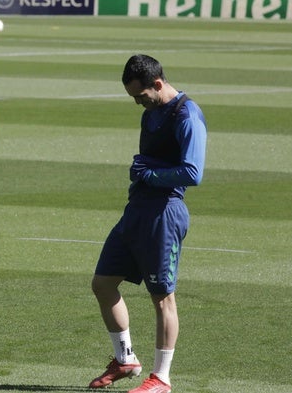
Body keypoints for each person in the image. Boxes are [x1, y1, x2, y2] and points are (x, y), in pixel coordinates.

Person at [88, 54, 206, 393]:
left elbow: (193, 172)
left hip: (164, 213)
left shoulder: (187, 115)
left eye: (141, 96)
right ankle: (125, 359)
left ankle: (162, 378)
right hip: (137, 210)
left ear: (158, 84)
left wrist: (150, 174)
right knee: (103, 283)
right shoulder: (151, 112)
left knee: (162, 298)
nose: (138, 103)